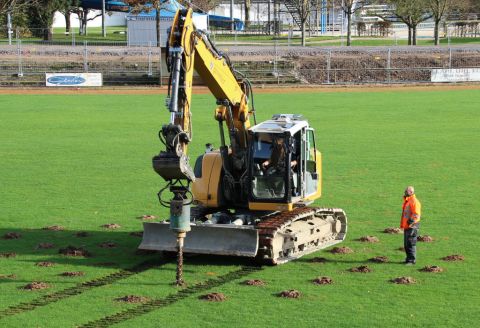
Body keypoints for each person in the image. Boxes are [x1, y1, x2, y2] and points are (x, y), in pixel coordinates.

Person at [400, 186, 422, 265]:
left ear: (411, 192)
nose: (405, 192)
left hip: (412, 226)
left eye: (406, 191)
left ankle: (412, 260)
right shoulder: (408, 201)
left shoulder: (414, 201)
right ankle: (408, 259)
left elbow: (416, 214)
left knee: (411, 243)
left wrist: (410, 222)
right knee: (406, 244)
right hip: (408, 226)